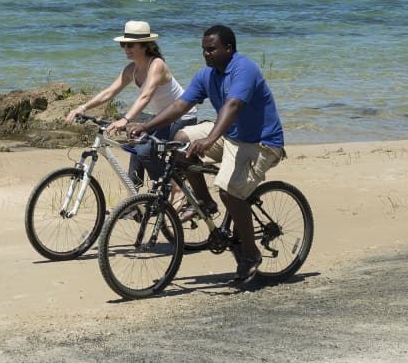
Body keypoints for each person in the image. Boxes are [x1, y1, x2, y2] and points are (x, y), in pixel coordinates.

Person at [129, 24, 285, 286]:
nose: (206, 54)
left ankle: (250, 254)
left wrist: (210, 139)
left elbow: (233, 106)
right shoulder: (207, 75)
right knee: (180, 143)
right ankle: (205, 204)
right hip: (230, 136)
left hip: (260, 143)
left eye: (211, 49)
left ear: (229, 48)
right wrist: (146, 126)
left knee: (229, 191)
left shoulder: (243, 70)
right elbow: (180, 105)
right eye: (203, 49)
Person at [66, 20, 196, 186]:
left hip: (182, 116)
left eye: (131, 45)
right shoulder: (131, 70)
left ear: (145, 45)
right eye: (124, 45)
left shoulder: (157, 65)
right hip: (162, 117)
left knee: (145, 151)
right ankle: (134, 198)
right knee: (137, 144)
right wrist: (82, 107)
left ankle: (172, 188)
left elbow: (146, 96)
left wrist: (125, 119)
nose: (126, 49)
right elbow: (109, 92)